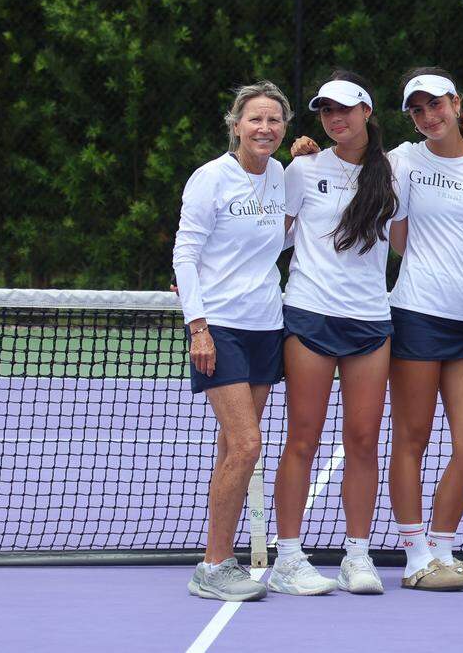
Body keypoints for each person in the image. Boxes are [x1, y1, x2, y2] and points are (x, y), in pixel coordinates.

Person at [268, 71, 404, 596]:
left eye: (344, 109)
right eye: (326, 111)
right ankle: (287, 556)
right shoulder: (300, 169)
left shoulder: (395, 172)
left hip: (371, 321)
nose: (334, 119)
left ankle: (357, 554)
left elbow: (412, 238)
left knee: (364, 442)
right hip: (309, 315)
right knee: (302, 437)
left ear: (367, 112)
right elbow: (269, 237)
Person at [387, 68, 463, 590]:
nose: (427, 117)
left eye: (435, 105)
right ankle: (415, 557)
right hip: (415, 313)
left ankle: (442, 547)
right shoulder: (403, 160)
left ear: (456, 103)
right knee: (411, 438)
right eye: (417, 110)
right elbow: (396, 237)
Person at [174, 81, 292, 601]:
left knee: (232, 449)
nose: (265, 128)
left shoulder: (282, 175)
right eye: (255, 119)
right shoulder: (210, 179)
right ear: (236, 125)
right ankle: (213, 564)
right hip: (218, 327)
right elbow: (185, 253)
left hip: (267, 324)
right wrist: (197, 326)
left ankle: (220, 557)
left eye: (274, 120)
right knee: (247, 445)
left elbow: (283, 235)